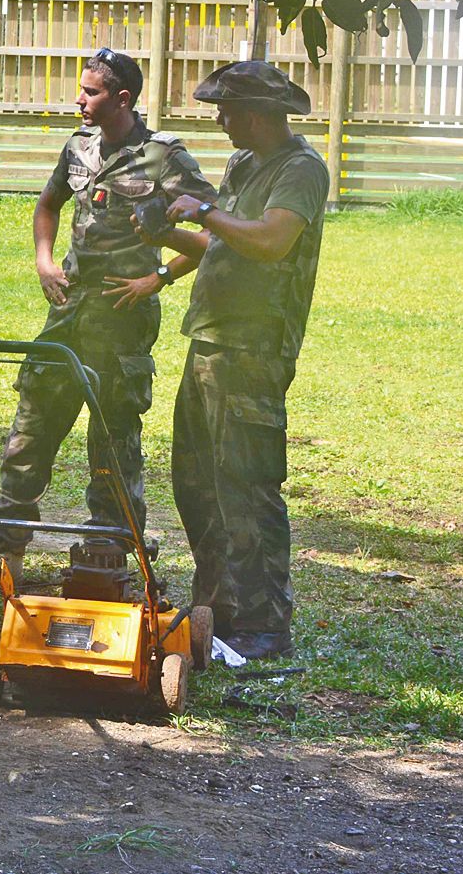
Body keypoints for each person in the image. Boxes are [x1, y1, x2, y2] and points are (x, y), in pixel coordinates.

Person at [0, 50, 215, 595]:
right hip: (67, 315)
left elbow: (213, 234)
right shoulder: (77, 146)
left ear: (122, 99)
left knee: (113, 440)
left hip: (121, 321)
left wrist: (162, 277)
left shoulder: (165, 158)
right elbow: (48, 204)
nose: (80, 100)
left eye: (91, 92)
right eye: (81, 90)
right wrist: (44, 260)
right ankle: (5, 559)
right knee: (32, 427)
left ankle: (108, 565)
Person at [143, 61, 326, 662]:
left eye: (226, 110)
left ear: (255, 114)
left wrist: (203, 211)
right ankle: (215, 613)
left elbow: (272, 240)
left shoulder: (301, 170)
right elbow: (224, 240)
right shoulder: (244, 164)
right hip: (211, 341)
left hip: (252, 350)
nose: (219, 121)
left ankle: (264, 624)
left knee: (246, 487)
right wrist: (163, 231)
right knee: (198, 484)